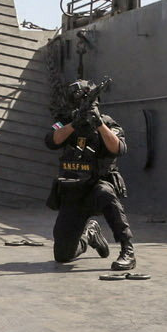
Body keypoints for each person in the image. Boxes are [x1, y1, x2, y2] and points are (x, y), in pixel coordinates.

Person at [45, 79, 136, 271]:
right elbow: (51, 140)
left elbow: (119, 148)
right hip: (73, 191)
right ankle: (90, 234)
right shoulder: (63, 121)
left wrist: (100, 125)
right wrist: (74, 123)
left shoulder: (108, 122)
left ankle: (127, 250)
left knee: (105, 192)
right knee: (62, 255)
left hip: (97, 186)